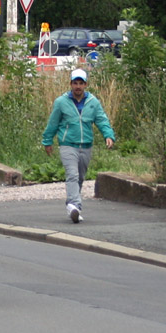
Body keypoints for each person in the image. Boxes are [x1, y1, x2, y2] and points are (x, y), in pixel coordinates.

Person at [41, 68, 115, 223]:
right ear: (70, 84)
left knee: (80, 177)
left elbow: (102, 120)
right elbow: (53, 123)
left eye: (81, 83)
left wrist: (108, 135)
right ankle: (75, 205)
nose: (78, 86)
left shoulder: (93, 102)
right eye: (75, 83)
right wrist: (48, 141)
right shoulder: (61, 102)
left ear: (86, 85)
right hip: (68, 144)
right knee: (72, 175)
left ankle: (72, 206)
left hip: (86, 145)